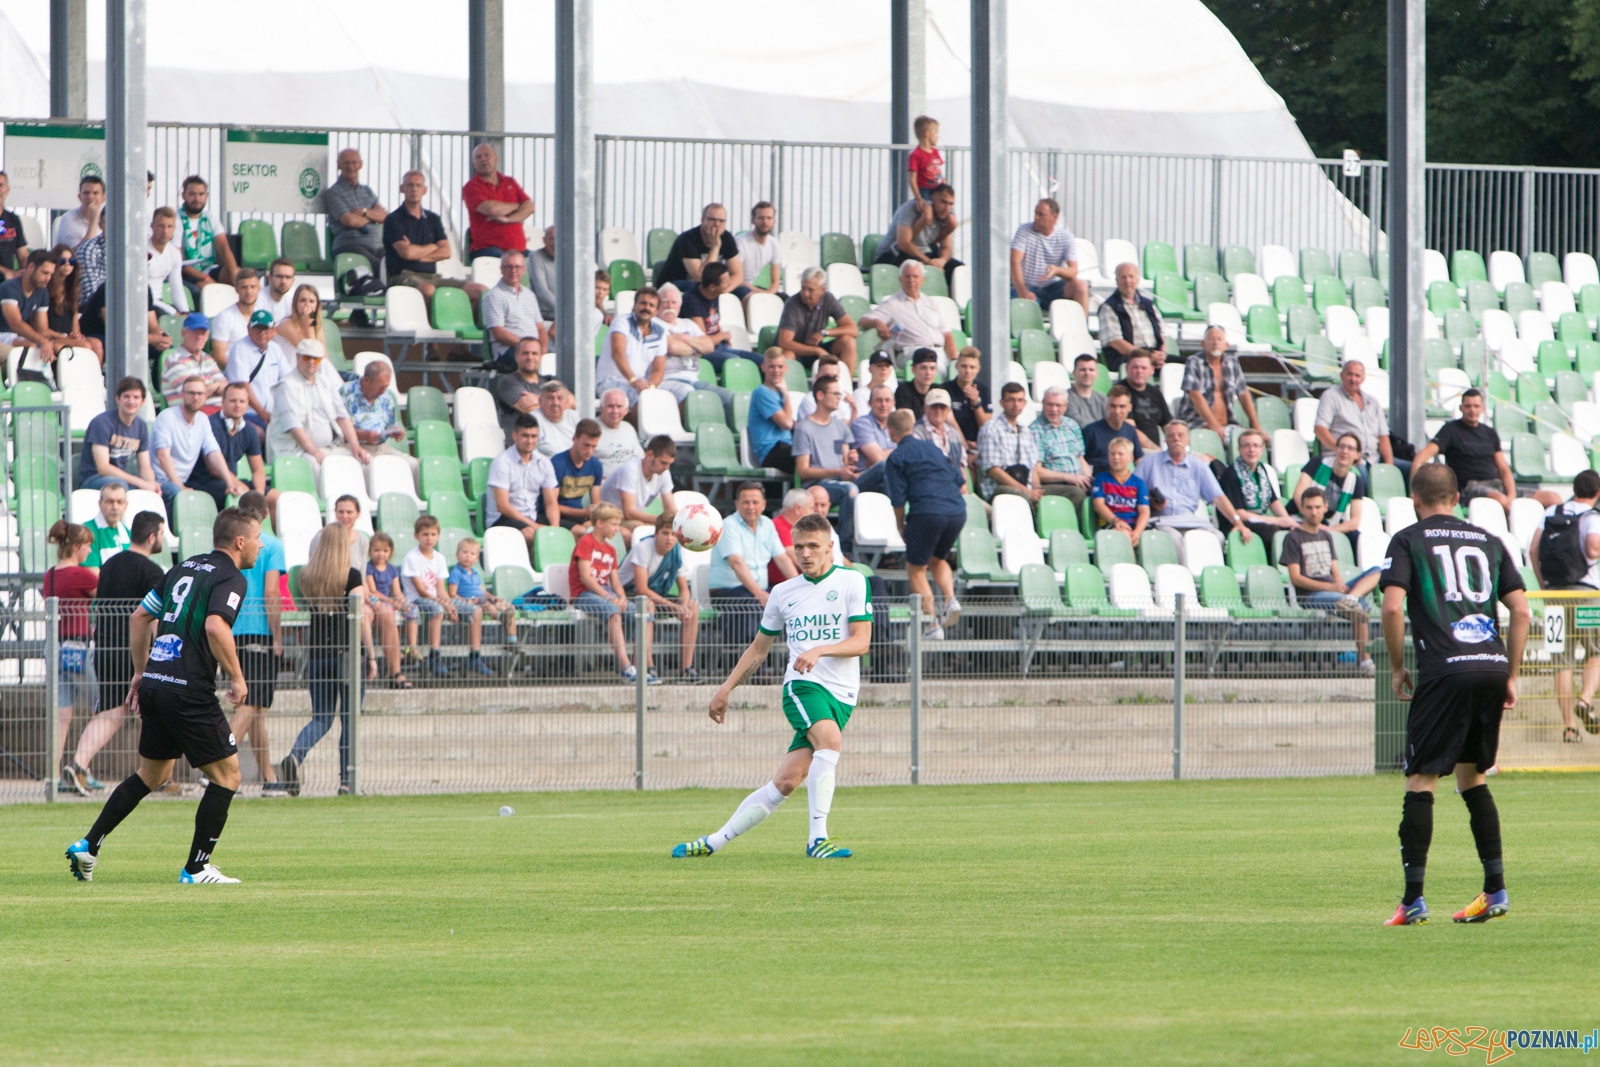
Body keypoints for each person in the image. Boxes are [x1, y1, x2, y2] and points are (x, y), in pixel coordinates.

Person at [65, 508, 259, 885]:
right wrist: (237, 677)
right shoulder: (231, 577)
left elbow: (139, 616)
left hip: (156, 682)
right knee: (228, 777)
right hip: (189, 690)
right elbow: (216, 625)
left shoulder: (183, 567)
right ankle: (197, 868)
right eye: (257, 538)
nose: (259, 544)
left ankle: (89, 845)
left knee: (153, 774)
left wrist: (140, 672)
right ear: (240, 542)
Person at [1379, 462, 1529, 926]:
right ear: (1457, 498)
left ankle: (1413, 900)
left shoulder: (1407, 539)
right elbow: (1521, 612)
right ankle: (1495, 890)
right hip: (1490, 664)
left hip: (1444, 668)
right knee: (1473, 777)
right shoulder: (1490, 541)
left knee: (1421, 779)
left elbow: (1391, 604)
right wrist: (1511, 672)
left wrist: (1399, 666)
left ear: (1414, 499)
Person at [672, 513, 869, 861]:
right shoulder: (783, 592)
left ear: (830, 548)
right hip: (803, 687)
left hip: (842, 694)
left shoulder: (852, 582)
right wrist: (725, 689)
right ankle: (817, 839)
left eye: (813, 546)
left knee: (786, 783)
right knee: (830, 741)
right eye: (799, 547)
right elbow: (759, 649)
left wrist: (820, 648)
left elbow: (861, 642)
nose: (805, 554)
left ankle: (713, 841)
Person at [67, 511, 168, 795]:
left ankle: (78, 766)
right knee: (150, 712)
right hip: (134, 652)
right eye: (161, 533)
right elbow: (153, 617)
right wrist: (161, 650)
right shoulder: (151, 572)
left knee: (111, 711)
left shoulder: (109, 564)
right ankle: (157, 775)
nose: (162, 538)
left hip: (104, 647)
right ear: (151, 537)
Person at [278, 521, 366, 797]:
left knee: (321, 718)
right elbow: (359, 619)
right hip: (346, 653)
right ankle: (345, 782)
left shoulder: (306, 576)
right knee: (349, 719)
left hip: (316, 654)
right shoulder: (351, 576)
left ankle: (294, 757)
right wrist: (373, 654)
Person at [220, 492, 286, 796]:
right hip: (258, 632)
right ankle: (217, 766)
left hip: (228, 628)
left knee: (257, 708)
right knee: (251, 705)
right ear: (266, 514)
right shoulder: (271, 545)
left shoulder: (233, 540)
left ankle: (269, 777)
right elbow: (272, 593)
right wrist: (278, 635)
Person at [1528, 469, 1600, 743]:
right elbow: (1593, 549)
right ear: (1598, 493)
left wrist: (1543, 586)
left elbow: (1533, 549)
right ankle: (1584, 700)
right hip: (1586, 596)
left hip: (1554, 595)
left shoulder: (1551, 512)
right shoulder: (1592, 517)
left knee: (1561, 661)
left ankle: (1569, 727)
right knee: (1596, 651)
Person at [1281, 486, 1381, 673]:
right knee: (1360, 608)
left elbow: (1335, 569)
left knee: (1378, 570)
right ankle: (1365, 661)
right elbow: (1296, 578)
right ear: (1301, 508)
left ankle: (1352, 598)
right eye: (1309, 507)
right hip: (1310, 595)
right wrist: (1330, 587)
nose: (1314, 512)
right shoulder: (1293, 538)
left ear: (1325, 507)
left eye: (1318, 507)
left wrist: (1340, 587)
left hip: (1333, 590)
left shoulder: (1326, 534)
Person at [885, 409, 966, 639]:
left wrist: (901, 526)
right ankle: (950, 600)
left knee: (916, 569)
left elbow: (898, 500)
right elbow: (959, 479)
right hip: (957, 511)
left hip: (927, 513)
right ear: (912, 426)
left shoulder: (896, 457)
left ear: (891, 432)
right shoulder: (933, 448)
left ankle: (932, 624)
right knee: (937, 559)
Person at [42, 521, 99, 795]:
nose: (90, 549)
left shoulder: (50, 575)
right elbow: (107, 594)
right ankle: (80, 767)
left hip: (54, 647)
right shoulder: (82, 574)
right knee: (103, 708)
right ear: (76, 547)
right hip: (78, 646)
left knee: (61, 714)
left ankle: (53, 775)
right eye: (87, 544)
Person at [267, 339, 371, 480]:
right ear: (297, 357)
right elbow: (294, 426)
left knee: (362, 460)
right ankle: (322, 501)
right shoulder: (286, 386)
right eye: (306, 357)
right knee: (317, 466)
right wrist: (313, 449)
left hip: (329, 447)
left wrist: (356, 446)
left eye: (316, 358)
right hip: (295, 450)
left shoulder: (326, 382)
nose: (311, 362)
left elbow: (342, 417)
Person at [1412, 389, 1531, 511]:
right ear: (1461, 408)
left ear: (1482, 408)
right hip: (1469, 488)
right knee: (1502, 501)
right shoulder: (1450, 430)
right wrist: (1414, 490)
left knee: (1549, 498)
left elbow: (1504, 469)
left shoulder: (1490, 433)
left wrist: (1511, 495)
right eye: (1468, 406)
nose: (1472, 410)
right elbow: (1420, 459)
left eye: (1476, 406)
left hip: (1496, 484)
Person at [710, 482, 798, 647]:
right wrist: (758, 592)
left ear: (763, 504)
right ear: (737, 504)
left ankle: (789, 660)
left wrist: (800, 586)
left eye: (755, 502)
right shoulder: (728, 525)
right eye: (746, 502)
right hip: (727, 592)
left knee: (790, 599)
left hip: (757, 591)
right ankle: (756, 668)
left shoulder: (768, 524)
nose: (751, 507)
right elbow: (736, 563)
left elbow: (782, 558)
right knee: (752, 605)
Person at [568, 503, 647, 681]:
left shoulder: (611, 549)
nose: (617, 529)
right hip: (584, 594)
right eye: (614, 524)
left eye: (618, 524)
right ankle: (625, 667)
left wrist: (622, 598)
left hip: (606, 593)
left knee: (644, 615)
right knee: (613, 613)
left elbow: (615, 581)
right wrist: (609, 598)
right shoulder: (586, 542)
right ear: (599, 523)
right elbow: (585, 578)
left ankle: (641, 667)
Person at [1135, 421, 1252, 539]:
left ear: (1188, 440)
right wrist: (1151, 503)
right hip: (1161, 520)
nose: (1176, 439)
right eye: (1171, 435)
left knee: (1217, 537)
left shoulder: (1198, 465)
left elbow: (1218, 497)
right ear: (1166, 440)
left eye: (1180, 435)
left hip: (1190, 520)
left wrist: (1238, 523)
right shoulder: (1149, 462)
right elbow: (1131, 492)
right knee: (1174, 538)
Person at [383, 170, 484, 303]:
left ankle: (463, 322)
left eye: (418, 185)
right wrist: (433, 246)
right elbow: (407, 253)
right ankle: (433, 324)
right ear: (402, 189)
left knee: (479, 290)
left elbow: (446, 252)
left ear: (425, 190)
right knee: (428, 290)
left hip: (432, 277)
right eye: (410, 185)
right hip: (403, 276)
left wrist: (416, 254)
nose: (414, 189)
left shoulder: (433, 219)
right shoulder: (393, 219)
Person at [153, 376, 249, 512]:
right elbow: (163, 456)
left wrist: (230, 483)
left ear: (205, 396)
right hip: (162, 481)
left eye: (200, 393)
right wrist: (180, 486)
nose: (196, 397)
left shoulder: (203, 420)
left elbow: (214, 453)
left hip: (183, 481)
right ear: (182, 395)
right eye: (191, 393)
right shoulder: (167, 417)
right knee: (178, 493)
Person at [624, 511, 700, 681]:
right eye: (665, 533)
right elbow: (641, 588)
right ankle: (646, 666)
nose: (670, 539)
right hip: (629, 593)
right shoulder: (644, 548)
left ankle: (686, 668)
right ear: (656, 533)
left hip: (657, 594)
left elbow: (683, 588)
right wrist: (673, 606)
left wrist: (684, 603)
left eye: (674, 535)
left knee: (693, 607)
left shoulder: (676, 551)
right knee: (648, 605)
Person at [794, 375, 861, 552]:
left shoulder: (840, 426)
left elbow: (846, 461)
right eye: (835, 393)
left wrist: (852, 459)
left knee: (882, 471)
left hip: (841, 479)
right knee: (850, 490)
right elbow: (803, 470)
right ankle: (846, 547)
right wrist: (838, 470)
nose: (840, 397)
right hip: (818, 485)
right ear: (820, 395)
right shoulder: (804, 428)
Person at [858, 261, 956, 368]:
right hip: (913, 353)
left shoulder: (931, 303)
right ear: (900, 279)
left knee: (963, 366)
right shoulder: (892, 304)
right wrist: (877, 322)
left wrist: (954, 360)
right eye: (907, 276)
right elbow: (863, 320)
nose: (911, 280)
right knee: (932, 366)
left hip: (940, 352)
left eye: (915, 276)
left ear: (922, 280)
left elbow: (947, 335)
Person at [1175, 326, 1262, 439]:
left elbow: (1244, 394)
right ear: (1203, 343)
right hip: (1198, 423)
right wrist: (1214, 425)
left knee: (1253, 441)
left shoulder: (1232, 363)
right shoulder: (1194, 362)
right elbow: (1195, 395)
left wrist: (1256, 427)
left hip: (1228, 425)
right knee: (1234, 441)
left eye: (1219, 339)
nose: (1215, 342)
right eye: (1211, 339)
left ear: (1226, 345)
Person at [487, 414, 560, 546]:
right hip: (502, 518)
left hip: (532, 515)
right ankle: (532, 565)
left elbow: (551, 502)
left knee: (571, 532)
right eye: (525, 436)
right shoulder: (502, 462)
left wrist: (555, 530)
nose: (530, 440)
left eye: (534, 436)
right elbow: (502, 506)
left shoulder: (544, 462)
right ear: (515, 436)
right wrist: (535, 526)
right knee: (529, 533)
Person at [874, 182, 962, 292]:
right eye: (943, 202)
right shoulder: (910, 209)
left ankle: (950, 303)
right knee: (919, 266)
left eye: (950, 204)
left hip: (917, 255)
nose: (946, 208)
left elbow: (946, 247)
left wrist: (942, 260)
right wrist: (929, 262)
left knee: (958, 268)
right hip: (891, 255)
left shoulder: (944, 217)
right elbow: (903, 243)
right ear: (933, 197)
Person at [1219, 429, 1295, 550]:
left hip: (1259, 520)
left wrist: (1287, 521)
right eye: (1246, 446)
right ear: (1239, 449)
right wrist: (1275, 521)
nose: (1251, 450)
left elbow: (1273, 501)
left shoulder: (1262, 469)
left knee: (1294, 530)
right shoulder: (1231, 474)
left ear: (1262, 449)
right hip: (1236, 523)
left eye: (1256, 445)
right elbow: (1239, 513)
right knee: (1271, 530)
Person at [1293, 432, 1368, 556]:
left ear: (1357, 455)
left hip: (1331, 524)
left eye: (1350, 448)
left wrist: (1330, 530)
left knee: (1357, 537)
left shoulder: (1356, 481)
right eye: (1342, 446)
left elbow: (1355, 521)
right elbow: (1298, 494)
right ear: (1336, 449)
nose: (1345, 451)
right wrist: (1314, 522)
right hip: (1302, 516)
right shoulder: (1317, 463)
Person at [400, 515, 456, 678]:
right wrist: (442, 603)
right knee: (437, 610)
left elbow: (440, 588)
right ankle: (435, 654)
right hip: (415, 599)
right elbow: (421, 589)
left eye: (433, 534)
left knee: (474, 611)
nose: (429, 538)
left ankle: (475, 656)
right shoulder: (412, 557)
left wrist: (449, 603)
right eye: (425, 534)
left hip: (434, 599)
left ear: (438, 536)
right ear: (416, 536)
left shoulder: (440, 558)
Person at [80, 376, 159, 493]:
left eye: (136, 397)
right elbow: (103, 468)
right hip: (94, 479)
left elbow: (145, 467)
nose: (131, 401)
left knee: (170, 490)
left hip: (122, 480)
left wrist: (152, 485)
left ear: (143, 401)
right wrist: (141, 483)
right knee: (120, 487)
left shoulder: (141, 425)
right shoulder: (102, 423)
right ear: (118, 399)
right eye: (126, 396)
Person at [339, 360, 417, 477]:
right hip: (353, 447)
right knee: (372, 467)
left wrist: (396, 431)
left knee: (412, 464)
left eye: (386, 387)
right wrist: (364, 435)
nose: (383, 391)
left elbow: (392, 423)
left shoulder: (386, 395)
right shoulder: (346, 392)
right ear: (366, 380)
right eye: (380, 387)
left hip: (381, 447)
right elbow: (338, 430)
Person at [1009, 197, 1087, 313]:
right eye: (1035, 213)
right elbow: (1015, 261)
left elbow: (1073, 271)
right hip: (1026, 286)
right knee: (1028, 302)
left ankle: (1081, 327)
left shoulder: (1066, 237)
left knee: (1080, 286)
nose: (1036, 218)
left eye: (1041, 214)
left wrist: (1056, 270)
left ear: (1054, 217)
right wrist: (1022, 290)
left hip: (1052, 287)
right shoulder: (1024, 231)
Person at [678, 262, 760, 372]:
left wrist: (722, 336)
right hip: (702, 352)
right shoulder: (692, 300)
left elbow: (713, 322)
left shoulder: (714, 295)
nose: (730, 283)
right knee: (735, 362)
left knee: (760, 360)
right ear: (712, 287)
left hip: (719, 346)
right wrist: (722, 336)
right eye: (726, 282)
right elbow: (702, 340)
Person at [1314, 359, 1395, 469]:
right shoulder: (1330, 397)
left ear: (1363, 378)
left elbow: (1383, 437)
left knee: (1409, 470)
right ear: (1342, 375)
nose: (1353, 379)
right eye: (1350, 374)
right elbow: (1319, 429)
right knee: (1363, 476)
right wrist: (1342, 451)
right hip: (1344, 460)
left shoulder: (1372, 402)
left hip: (1373, 459)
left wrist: (1389, 466)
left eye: (1357, 376)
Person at [777, 266, 858, 373]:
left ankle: (847, 386)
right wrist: (816, 350)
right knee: (788, 355)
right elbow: (785, 342)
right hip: (798, 351)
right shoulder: (792, 304)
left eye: (810, 290)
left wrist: (825, 332)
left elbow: (853, 330)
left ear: (822, 289)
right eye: (803, 288)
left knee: (848, 342)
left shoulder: (828, 299)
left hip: (817, 348)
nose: (805, 294)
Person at [461, 143, 534, 260]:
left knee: (540, 260)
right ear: (474, 163)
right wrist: (517, 205)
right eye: (478, 157)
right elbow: (492, 209)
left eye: (487, 155)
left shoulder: (510, 182)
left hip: (518, 249)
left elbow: (530, 207)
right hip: (487, 249)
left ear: (496, 159)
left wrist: (508, 219)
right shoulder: (471, 187)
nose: (483, 159)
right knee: (508, 261)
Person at [599, 284, 669, 405]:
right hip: (609, 380)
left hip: (640, 385)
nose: (646, 307)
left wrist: (650, 387)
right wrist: (633, 380)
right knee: (643, 401)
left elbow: (658, 370)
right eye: (643, 303)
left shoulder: (660, 332)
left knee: (664, 399)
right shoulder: (622, 321)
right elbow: (617, 353)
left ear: (656, 311)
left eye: (651, 305)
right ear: (634, 305)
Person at [657, 203, 748, 296]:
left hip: (711, 285)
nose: (717, 224)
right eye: (712, 219)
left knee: (743, 291)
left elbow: (737, 274)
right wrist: (715, 247)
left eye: (721, 221)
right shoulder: (688, 239)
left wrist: (724, 289)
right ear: (702, 220)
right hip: (677, 283)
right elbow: (700, 277)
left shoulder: (727, 238)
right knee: (700, 288)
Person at [222, 308, 290, 430]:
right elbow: (243, 385)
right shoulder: (240, 349)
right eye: (257, 329)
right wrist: (263, 413)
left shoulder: (275, 349)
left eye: (265, 329)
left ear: (274, 330)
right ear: (248, 329)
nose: (262, 333)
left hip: (273, 413)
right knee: (260, 435)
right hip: (247, 413)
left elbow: (287, 379)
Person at [448, 537, 508, 675]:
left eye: (472, 553)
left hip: (481, 598)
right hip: (470, 601)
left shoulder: (475, 573)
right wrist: (465, 601)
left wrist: (491, 596)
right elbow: (452, 593)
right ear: (457, 555)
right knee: (490, 608)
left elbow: (482, 590)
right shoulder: (456, 572)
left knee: (505, 605)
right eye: (464, 552)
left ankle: (512, 638)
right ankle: (500, 618)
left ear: (476, 558)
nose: (468, 556)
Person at [602, 435, 677, 541]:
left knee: (672, 531)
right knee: (640, 527)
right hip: (609, 517)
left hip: (628, 518)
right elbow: (628, 513)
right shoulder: (630, 469)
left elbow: (671, 509)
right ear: (650, 455)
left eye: (670, 464)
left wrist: (680, 522)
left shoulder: (664, 472)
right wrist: (662, 521)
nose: (667, 468)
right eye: (663, 463)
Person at [364, 532, 413, 689]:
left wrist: (401, 602)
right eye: (377, 550)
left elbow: (397, 591)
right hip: (375, 601)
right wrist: (392, 601)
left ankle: (410, 649)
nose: (381, 554)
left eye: (385, 551)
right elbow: (373, 591)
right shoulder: (369, 568)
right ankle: (395, 664)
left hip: (388, 602)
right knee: (389, 615)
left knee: (412, 612)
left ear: (390, 552)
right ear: (370, 551)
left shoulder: (392, 569)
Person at [1098, 262, 1167, 371]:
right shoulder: (1109, 307)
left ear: (1137, 279)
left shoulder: (1149, 304)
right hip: (1127, 358)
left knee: (1186, 363)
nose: (1128, 281)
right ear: (1117, 281)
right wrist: (1147, 357)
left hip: (1153, 354)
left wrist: (1161, 354)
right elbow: (1116, 342)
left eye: (1131, 276)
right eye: (1123, 277)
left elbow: (1162, 333)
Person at [977, 381, 1039, 502]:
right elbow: (993, 470)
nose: (1016, 404)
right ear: (1002, 403)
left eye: (1020, 400)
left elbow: (1033, 468)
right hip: (998, 488)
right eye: (1011, 400)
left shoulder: (1026, 431)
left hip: (1025, 486)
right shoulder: (991, 428)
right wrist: (1026, 490)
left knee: (1074, 493)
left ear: (1025, 403)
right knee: (1024, 497)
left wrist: (1037, 489)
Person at [481, 252, 545, 369]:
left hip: (532, 349)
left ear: (524, 269)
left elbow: (540, 328)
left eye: (517, 267)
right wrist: (528, 347)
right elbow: (498, 333)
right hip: (509, 351)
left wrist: (543, 350)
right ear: (501, 269)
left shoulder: (529, 295)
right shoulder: (494, 296)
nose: (513, 270)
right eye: (508, 267)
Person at [1031, 386, 1093, 505]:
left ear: (1065, 406)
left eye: (1058, 405)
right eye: (1050, 404)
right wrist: (1069, 477)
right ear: (1043, 404)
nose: (1054, 409)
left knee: (1101, 490)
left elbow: (1080, 458)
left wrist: (1088, 479)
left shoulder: (1072, 425)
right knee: (1077, 493)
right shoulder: (1035, 430)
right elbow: (1037, 470)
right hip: (1053, 484)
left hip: (1076, 480)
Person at [324, 148, 387, 265]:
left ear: (360, 165)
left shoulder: (367, 191)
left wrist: (363, 212)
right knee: (378, 266)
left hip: (376, 247)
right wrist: (372, 215)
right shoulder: (333, 192)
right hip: (349, 245)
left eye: (354, 162)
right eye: (346, 163)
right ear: (338, 165)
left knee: (395, 262)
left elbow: (384, 216)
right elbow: (349, 220)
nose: (351, 166)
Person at [177, 175, 238, 293]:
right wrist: (206, 278)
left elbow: (224, 249)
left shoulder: (211, 218)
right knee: (208, 289)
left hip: (208, 268)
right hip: (187, 273)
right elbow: (179, 262)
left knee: (239, 274)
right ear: (183, 195)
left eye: (201, 194)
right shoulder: (176, 220)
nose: (197, 198)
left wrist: (235, 275)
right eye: (192, 194)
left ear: (207, 196)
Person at [44, 242, 101, 363]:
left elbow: (74, 319)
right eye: (62, 261)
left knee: (97, 344)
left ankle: (97, 379)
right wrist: (65, 337)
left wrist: (76, 334)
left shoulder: (72, 289)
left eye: (71, 261)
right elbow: (42, 328)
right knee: (86, 346)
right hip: (52, 337)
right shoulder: (45, 289)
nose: (67, 264)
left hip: (67, 336)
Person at [161, 312, 228, 413]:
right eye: (195, 332)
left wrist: (212, 387)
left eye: (203, 333)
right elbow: (193, 397)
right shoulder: (174, 361)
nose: (200, 337)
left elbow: (226, 388)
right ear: (183, 333)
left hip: (220, 412)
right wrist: (216, 386)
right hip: (192, 415)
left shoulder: (207, 359)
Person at [0, 249, 57, 364]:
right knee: (31, 347)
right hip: (2, 334)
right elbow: (15, 323)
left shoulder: (42, 291)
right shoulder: (10, 288)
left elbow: (41, 329)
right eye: (45, 273)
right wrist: (43, 341)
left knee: (51, 350)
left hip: (13, 337)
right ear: (31, 267)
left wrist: (63, 338)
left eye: (51, 274)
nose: (48, 278)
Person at [1091, 437, 1150, 547]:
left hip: (1133, 526)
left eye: (1120, 454)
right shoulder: (1101, 479)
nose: (1116, 457)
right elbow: (1098, 505)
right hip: (1111, 524)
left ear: (1131, 457)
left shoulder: (1139, 483)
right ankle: (1130, 564)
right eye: (1112, 454)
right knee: (1123, 535)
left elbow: (1144, 511)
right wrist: (1116, 520)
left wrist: (1137, 532)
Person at [550, 418, 605, 533]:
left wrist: (593, 512)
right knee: (581, 532)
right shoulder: (558, 463)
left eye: (593, 446)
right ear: (575, 439)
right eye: (586, 445)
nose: (589, 451)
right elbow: (550, 504)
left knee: (602, 529)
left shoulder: (596, 466)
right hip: (553, 515)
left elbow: (596, 503)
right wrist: (583, 512)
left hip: (578, 516)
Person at [749, 349, 798, 473]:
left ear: (785, 368)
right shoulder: (762, 392)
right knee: (804, 454)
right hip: (770, 452)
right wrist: (786, 395)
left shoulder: (779, 394)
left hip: (786, 447)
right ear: (763, 367)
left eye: (780, 366)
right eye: (771, 367)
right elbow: (786, 424)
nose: (776, 371)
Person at [207, 270, 266, 366]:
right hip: (232, 374)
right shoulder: (225, 317)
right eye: (244, 287)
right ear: (236, 289)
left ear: (259, 288)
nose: (249, 291)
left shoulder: (262, 316)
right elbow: (219, 357)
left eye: (253, 287)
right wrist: (242, 372)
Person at [1081, 384, 1144, 475]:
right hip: (1097, 480)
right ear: (1107, 406)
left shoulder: (1130, 430)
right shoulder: (1091, 430)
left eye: (1122, 406)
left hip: (1123, 481)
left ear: (1130, 407)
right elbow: (1079, 458)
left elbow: (1138, 459)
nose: (1117, 411)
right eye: (1113, 406)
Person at [1122, 350, 1171, 450]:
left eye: (1144, 368)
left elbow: (1168, 425)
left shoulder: (1155, 392)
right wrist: (1158, 451)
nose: (1139, 371)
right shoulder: (1120, 392)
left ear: (1152, 370)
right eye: (1135, 367)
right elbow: (1131, 431)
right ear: (1127, 368)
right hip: (1134, 450)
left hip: (1156, 450)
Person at [911, 388, 966, 475]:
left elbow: (961, 466)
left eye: (942, 407)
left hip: (953, 484)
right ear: (925, 408)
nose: (938, 410)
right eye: (934, 406)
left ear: (949, 410)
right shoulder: (916, 432)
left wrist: (963, 486)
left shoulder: (954, 434)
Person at [735, 201, 783, 300]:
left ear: (774, 221)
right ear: (753, 220)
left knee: (785, 299)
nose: (765, 221)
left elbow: (775, 281)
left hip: (752, 286)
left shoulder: (774, 244)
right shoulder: (741, 242)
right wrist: (761, 293)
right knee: (750, 298)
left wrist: (768, 293)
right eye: (761, 218)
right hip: (735, 285)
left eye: (769, 218)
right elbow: (736, 277)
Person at [946, 346, 992, 444]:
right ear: (956, 366)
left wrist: (976, 404)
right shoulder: (946, 389)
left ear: (978, 369)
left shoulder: (983, 390)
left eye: (972, 367)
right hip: (952, 442)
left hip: (977, 444)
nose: (968, 371)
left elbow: (986, 427)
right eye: (964, 366)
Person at [146, 205, 188, 314]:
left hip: (160, 303)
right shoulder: (142, 251)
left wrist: (185, 312)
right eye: (161, 226)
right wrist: (173, 312)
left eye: (170, 226)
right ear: (152, 226)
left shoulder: (175, 253)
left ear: (174, 228)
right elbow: (141, 292)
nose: (165, 231)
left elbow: (176, 287)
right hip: (144, 304)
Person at [85, 482, 131, 567]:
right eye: (110, 501)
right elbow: (92, 574)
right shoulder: (87, 531)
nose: (115, 507)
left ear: (126, 505)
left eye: (120, 502)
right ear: (100, 504)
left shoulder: (128, 533)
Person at [852, 385, 897, 471]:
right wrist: (900, 451)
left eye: (887, 400)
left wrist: (884, 455)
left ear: (893, 403)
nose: (883, 404)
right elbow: (878, 459)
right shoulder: (861, 424)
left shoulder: (897, 424)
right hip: (868, 477)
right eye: (879, 400)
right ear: (869, 403)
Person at [54, 174, 105, 249]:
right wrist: (94, 220)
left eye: (95, 193)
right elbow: (79, 253)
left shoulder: (107, 219)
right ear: (79, 197)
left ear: (103, 198)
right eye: (86, 193)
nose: (90, 197)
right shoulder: (68, 219)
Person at [531, 379, 579, 458]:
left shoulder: (573, 416)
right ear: (540, 401)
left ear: (566, 401)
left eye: (560, 398)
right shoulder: (532, 420)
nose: (555, 403)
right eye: (550, 398)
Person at [274, 283, 327, 353]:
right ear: (296, 304)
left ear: (317, 306)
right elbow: (311, 353)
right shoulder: (286, 325)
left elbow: (324, 358)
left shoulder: (318, 327)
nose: (307, 305)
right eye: (303, 300)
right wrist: (309, 326)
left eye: (311, 301)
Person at [906, 114, 944, 211]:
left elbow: (939, 171)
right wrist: (918, 198)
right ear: (927, 134)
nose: (937, 136)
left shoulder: (935, 152)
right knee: (928, 215)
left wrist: (944, 185)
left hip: (938, 188)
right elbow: (912, 179)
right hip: (925, 190)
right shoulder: (916, 155)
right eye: (936, 133)